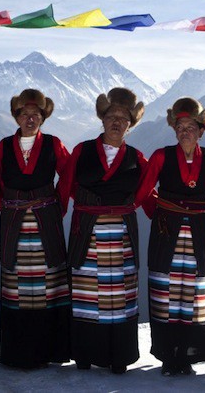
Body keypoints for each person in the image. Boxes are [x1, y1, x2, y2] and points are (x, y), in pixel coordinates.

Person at [135, 97, 205, 376]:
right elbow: (143, 192)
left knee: (192, 293)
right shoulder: (162, 156)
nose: (185, 131)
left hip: (197, 234)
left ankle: (186, 355)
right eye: (180, 126)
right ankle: (167, 355)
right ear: (174, 129)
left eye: (191, 126)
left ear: (201, 130)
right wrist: (161, 213)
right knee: (165, 292)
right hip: (166, 233)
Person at [60, 87, 147, 374]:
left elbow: (148, 192)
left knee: (119, 296)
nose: (116, 122)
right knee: (87, 294)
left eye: (123, 118)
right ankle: (85, 354)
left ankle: (118, 356)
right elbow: (67, 186)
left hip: (121, 235)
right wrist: (88, 205)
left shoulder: (137, 157)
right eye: (111, 116)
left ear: (130, 124)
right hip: (88, 232)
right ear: (102, 119)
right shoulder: (82, 151)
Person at [0, 89, 71, 369]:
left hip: (45, 221)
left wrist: (56, 204)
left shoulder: (53, 143)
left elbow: (68, 172)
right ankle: (17, 353)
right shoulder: (3, 146)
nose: (30, 118)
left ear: (43, 117)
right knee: (17, 285)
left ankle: (48, 350)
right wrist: (9, 204)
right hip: (15, 222)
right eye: (25, 113)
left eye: (36, 114)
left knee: (48, 283)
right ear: (17, 116)